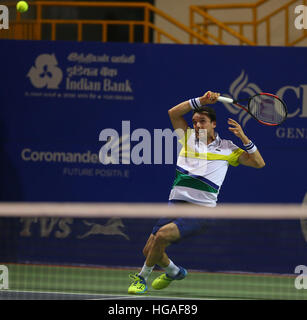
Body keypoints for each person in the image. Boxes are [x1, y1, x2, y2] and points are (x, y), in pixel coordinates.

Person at [128, 91, 265, 294]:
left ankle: (141, 279)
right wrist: (200, 101)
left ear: (213, 124)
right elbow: (173, 113)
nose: (197, 125)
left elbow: (259, 163)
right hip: (176, 204)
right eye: (194, 121)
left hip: (202, 210)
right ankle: (175, 272)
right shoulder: (187, 138)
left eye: (202, 121)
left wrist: (244, 139)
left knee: (162, 236)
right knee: (149, 250)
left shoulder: (228, 148)